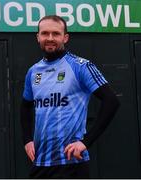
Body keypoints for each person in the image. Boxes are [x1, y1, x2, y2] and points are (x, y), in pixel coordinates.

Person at [20, 15, 120, 179]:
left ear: (65, 37)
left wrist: (85, 142)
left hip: (71, 163)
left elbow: (112, 101)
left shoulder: (81, 66)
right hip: (40, 162)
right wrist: (27, 140)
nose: (50, 38)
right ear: (38, 37)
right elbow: (25, 106)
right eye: (45, 33)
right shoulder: (33, 71)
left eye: (56, 33)